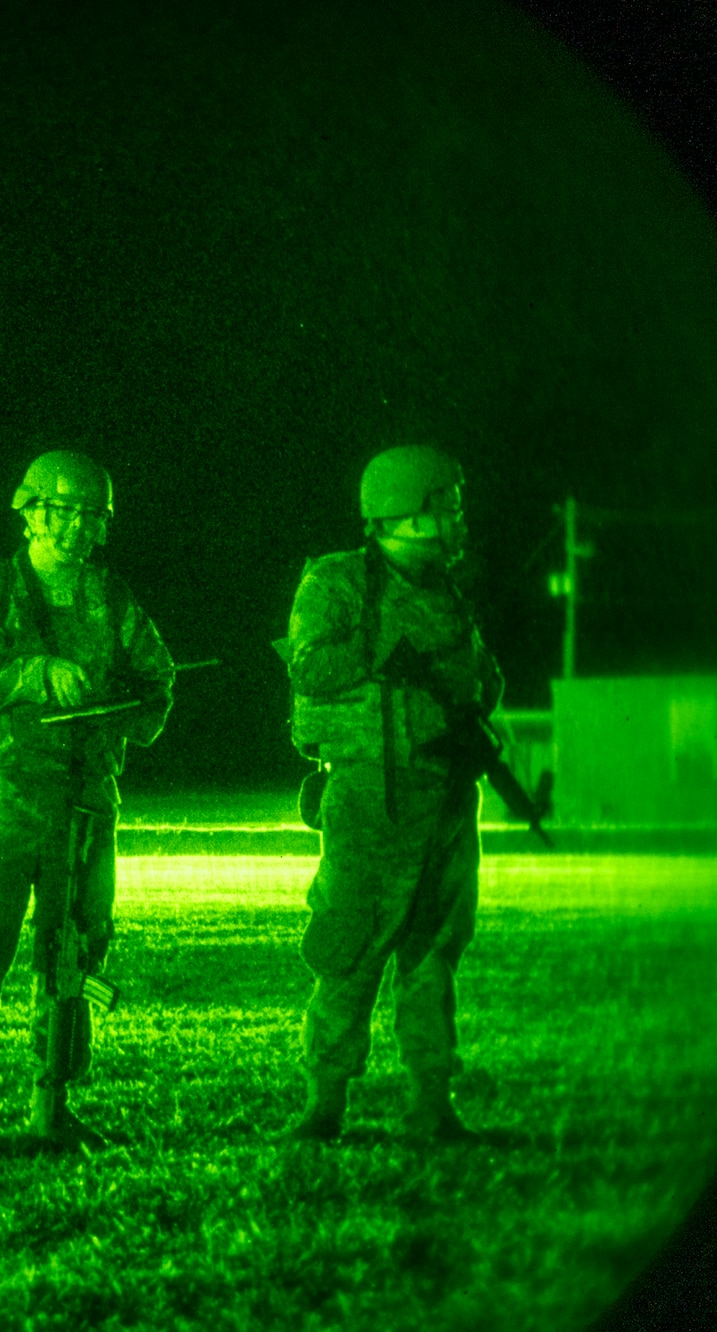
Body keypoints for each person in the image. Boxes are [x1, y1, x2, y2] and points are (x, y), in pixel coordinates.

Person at [0, 450, 176, 1160]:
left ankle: (51, 1106)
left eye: (91, 516)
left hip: (86, 804)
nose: (75, 529)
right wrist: (37, 674)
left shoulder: (113, 599)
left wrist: (119, 713)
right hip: (2, 800)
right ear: (29, 513)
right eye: (61, 513)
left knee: (74, 956)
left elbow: (158, 681)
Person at [273, 444, 504, 1145]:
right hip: (370, 801)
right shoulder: (339, 582)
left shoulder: (450, 590)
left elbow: (481, 681)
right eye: (448, 507)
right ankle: (324, 1105)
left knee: (435, 957)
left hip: (444, 800)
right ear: (407, 514)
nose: (459, 521)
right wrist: (384, 650)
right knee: (349, 951)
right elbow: (309, 668)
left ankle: (432, 1104)